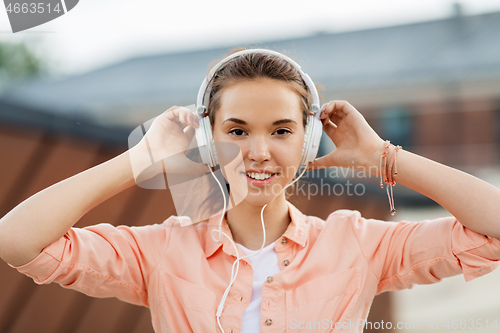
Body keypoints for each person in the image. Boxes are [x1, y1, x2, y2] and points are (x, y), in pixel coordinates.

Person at [1, 48, 500, 333]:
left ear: (305, 142)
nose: (259, 151)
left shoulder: (358, 244)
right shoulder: (161, 250)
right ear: (209, 139)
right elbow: (16, 241)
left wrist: (385, 158)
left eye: (281, 131)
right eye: (237, 131)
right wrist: (140, 160)